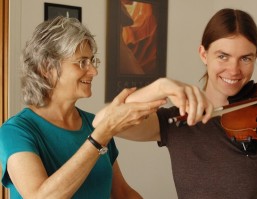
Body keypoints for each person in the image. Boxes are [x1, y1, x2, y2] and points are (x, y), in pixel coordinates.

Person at [94, 8, 257, 199]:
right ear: (204, 54)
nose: (234, 70)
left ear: (255, 58)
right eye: (223, 56)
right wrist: (160, 86)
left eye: (245, 58)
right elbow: (103, 122)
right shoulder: (177, 121)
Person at [0, 16, 168, 199]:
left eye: (92, 61)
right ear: (46, 68)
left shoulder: (94, 124)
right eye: (82, 62)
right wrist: (101, 135)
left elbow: (123, 193)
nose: (94, 71)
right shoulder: (15, 131)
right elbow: (41, 197)